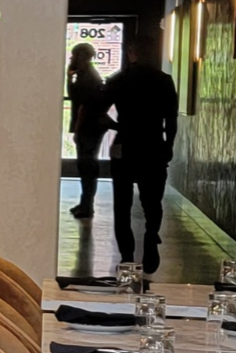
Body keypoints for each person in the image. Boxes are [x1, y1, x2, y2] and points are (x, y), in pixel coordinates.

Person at [99, 30, 178, 273]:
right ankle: (151, 237)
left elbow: (98, 113)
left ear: (130, 52)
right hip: (153, 144)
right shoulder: (163, 80)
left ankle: (126, 258)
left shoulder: (118, 80)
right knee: (152, 202)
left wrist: (118, 126)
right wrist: (169, 145)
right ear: (152, 52)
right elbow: (171, 119)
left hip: (125, 145)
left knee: (122, 206)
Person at [65, 40, 108, 221]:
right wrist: (69, 77)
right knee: (85, 165)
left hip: (88, 127)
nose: (71, 59)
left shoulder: (88, 77)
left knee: (87, 165)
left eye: (74, 56)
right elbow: (74, 96)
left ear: (81, 57)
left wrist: (77, 129)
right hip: (88, 126)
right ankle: (85, 203)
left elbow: (83, 106)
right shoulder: (86, 75)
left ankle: (87, 204)